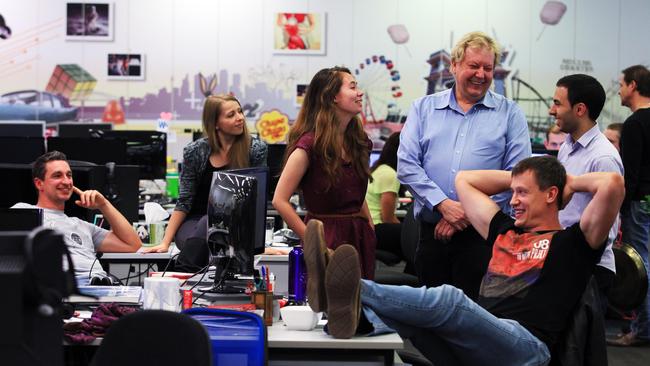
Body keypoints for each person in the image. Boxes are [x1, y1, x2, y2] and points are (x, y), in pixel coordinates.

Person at [304, 156, 624, 365]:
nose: (513, 200)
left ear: (551, 195)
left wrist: (568, 182)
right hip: (481, 340)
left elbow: (612, 184)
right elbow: (465, 180)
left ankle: (347, 284)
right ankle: (347, 311)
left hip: (525, 348)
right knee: (407, 321)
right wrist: (520, 177)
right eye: (513, 192)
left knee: (451, 300)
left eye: (523, 193)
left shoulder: (575, 243)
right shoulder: (503, 229)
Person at [397, 31, 531, 299]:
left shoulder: (510, 114)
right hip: (431, 236)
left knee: (474, 321)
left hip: (482, 239)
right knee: (430, 320)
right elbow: (407, 164)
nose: (481, 74)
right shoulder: (423, 109)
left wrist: (466, 214)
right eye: (473, 66)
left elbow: (517, 176)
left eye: (488, 68)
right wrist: (444, 205)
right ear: (454, 66)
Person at [272, 66, 376, 282]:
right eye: (353, 87)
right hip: (325, 236)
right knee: (327, 307)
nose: (360, 93)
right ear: (332, 97)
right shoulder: (308, 146)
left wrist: (368, 222)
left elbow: (354, 189)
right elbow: (280, 200)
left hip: (358, 236)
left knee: (359, 306)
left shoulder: (359, 142)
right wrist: (314, 243)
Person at [144, 94, 267, 255]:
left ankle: (185, 270)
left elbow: (256, 202)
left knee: (212, 232)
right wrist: (165, 242)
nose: (240, 118)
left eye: (240, 111)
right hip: (196, 223)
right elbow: (184, 201)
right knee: (205, 225)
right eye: (231, 115)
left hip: (238, 226)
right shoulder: (195, 152)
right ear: (215, 123)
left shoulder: (255, 150)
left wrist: (257, 243)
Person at [550, 74, 623, 315]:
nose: (552, 110)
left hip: (589, 268)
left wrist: (579, 261)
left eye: (558, 103)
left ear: (580, 109)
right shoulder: (567, 147)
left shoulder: (603, 157)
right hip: (566, 259)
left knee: (581, 349)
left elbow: (607, 226)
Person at [13, 151, 142, 283]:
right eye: (57, 176)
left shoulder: (81, 225)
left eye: (69, 175)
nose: (66, 181)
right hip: (63, 289)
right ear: (39, 183)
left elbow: (133, 245)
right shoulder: (24, 211)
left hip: (101, 284)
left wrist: (104, 204)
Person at [612, 64, 650, 346]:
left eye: (622, 84)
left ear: (634, 86)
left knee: (642, 266)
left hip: (640, 204)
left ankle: (643, 330)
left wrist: (621, 208)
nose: (620, 90)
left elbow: (631, 174)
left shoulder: (636, 124)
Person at [365, 132, 402, 260]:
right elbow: (387, 218)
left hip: (369, 227)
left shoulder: (378, 169)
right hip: (377, 227)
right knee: (416, 237)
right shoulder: (390, 174)